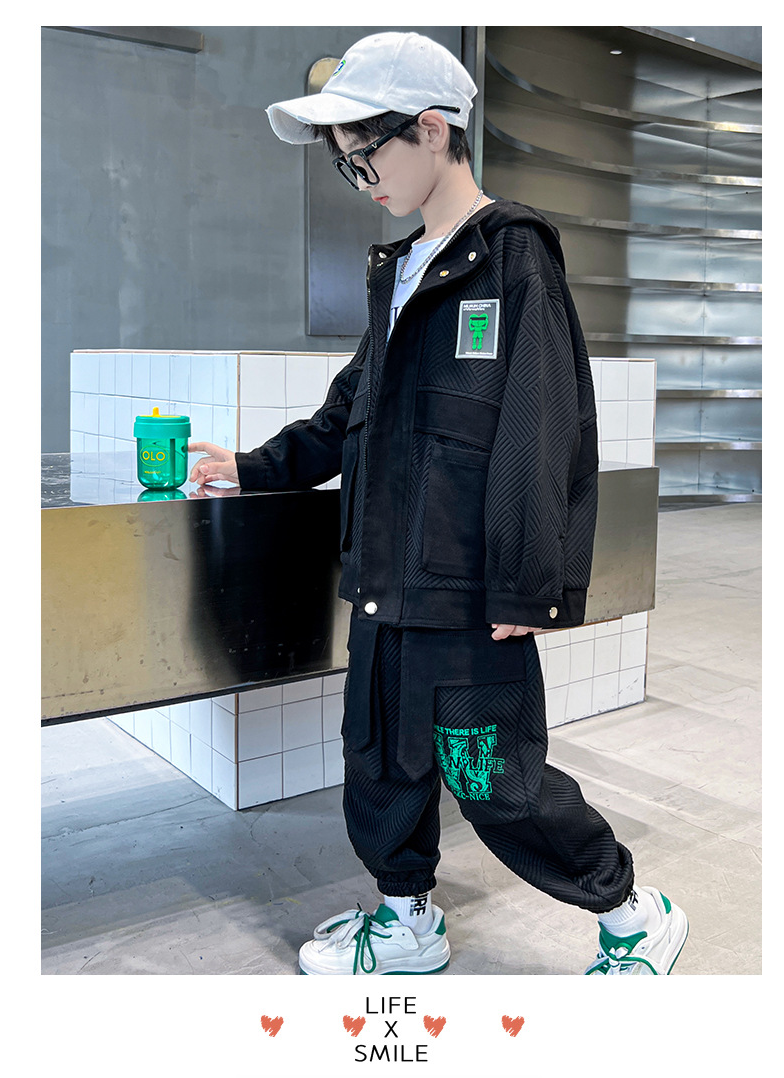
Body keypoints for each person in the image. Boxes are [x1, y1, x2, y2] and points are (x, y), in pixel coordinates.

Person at [188, 31, 688, 977]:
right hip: (386, 579)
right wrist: (255, 468)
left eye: (366, 156)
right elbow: (351, 409)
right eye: (347, 165)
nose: (362, 179)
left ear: (430, 129)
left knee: (495, 779)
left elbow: (544, 427)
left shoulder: (512, 258)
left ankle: (634, 913)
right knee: (380, 759)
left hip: (465, 593)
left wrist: (528, 583)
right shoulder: (401, 270)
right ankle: (406, 923)